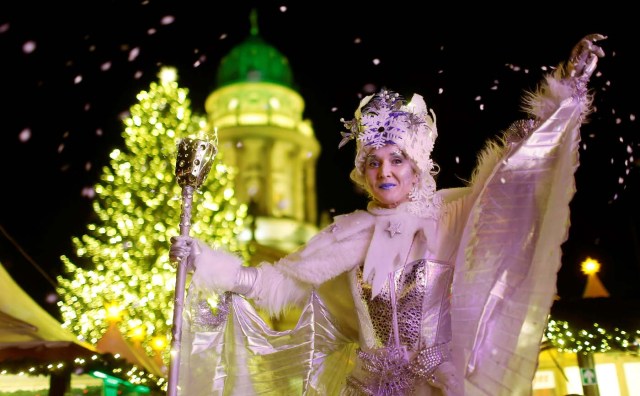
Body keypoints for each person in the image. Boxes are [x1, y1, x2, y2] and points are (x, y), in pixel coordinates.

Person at [170, 34, 606, 395]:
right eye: (373, 162)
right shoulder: (350, 234)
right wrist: (205, 261)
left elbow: (513, 178)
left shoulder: (450, 214)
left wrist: (564, 96)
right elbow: (280, 280)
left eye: (396, 160)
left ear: (415, 165)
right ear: (363, 172)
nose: (385, 172)